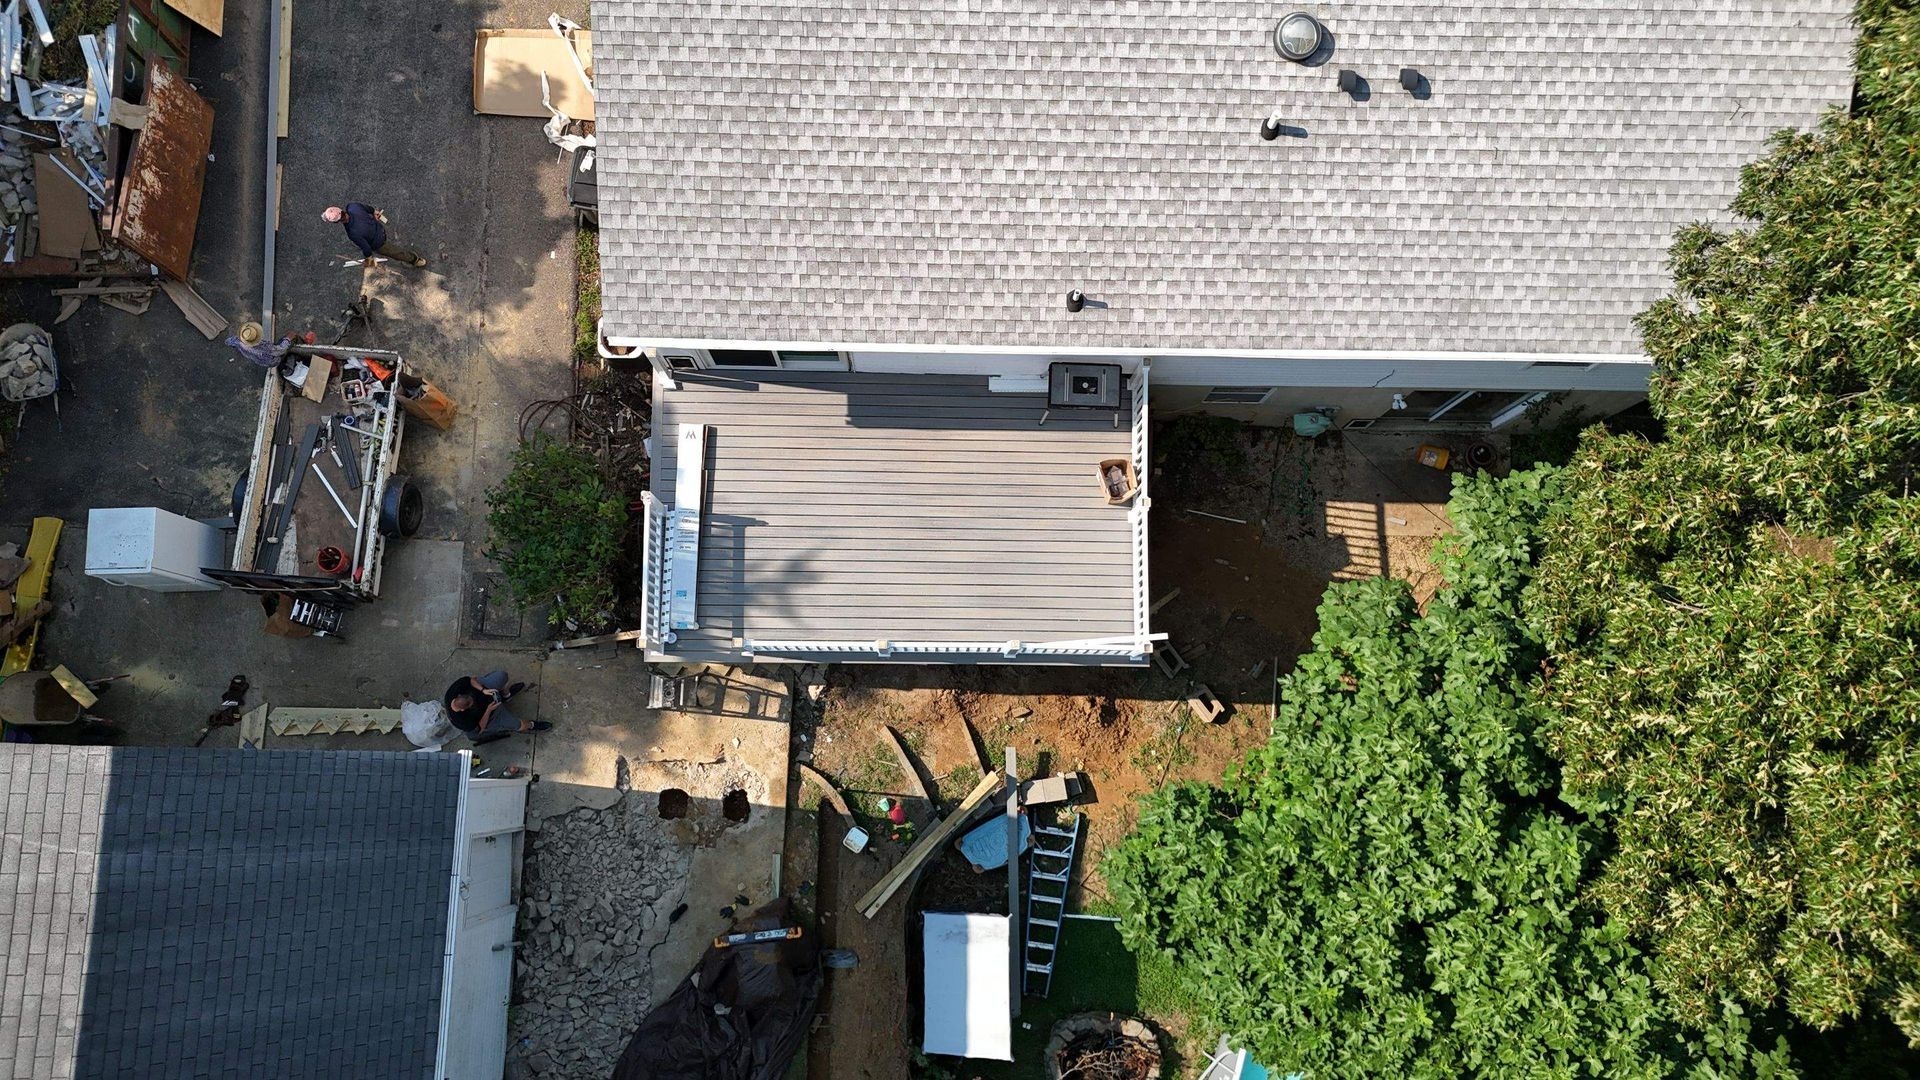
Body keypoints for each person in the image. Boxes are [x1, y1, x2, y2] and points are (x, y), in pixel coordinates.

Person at [444, 671, 547, 744]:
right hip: (491, 715)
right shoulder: (461, 721)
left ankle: (506, 695)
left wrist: (482, 690)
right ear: (463, 710)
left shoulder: (452, 692)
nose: (473, 700)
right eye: (471, 704)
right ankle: (532, 725)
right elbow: (480, 728)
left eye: (470, 698)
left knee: (502, 676)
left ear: (459, 695)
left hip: (487, 691)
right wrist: (489, 710)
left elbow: (470, 680)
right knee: (518, 725)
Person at [322, 203, 429, 268]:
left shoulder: (352, 233)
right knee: (393, 249)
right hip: (379, 229)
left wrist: (369, 259)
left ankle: (415, 260)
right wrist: (374, 212)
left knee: (396, 252)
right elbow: (368, 208)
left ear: (337, 222)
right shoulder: (352, 206)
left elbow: (366, 248)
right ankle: (413, 259)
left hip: (379, 243)